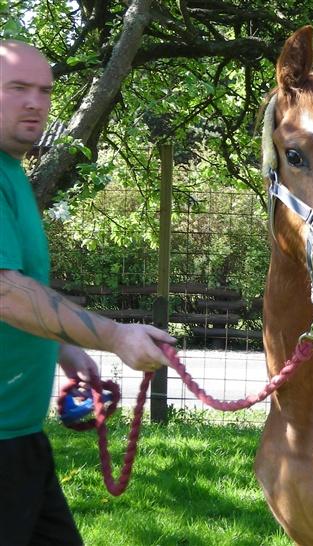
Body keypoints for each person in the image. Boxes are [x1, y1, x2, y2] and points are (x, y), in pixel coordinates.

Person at [0, 40, 175, 545]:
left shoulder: (13, 173)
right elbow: (6, 293)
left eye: (44, 90)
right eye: (18, 89)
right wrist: (115, 335)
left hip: (19, 440)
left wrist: (61, 346)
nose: (35, 102)